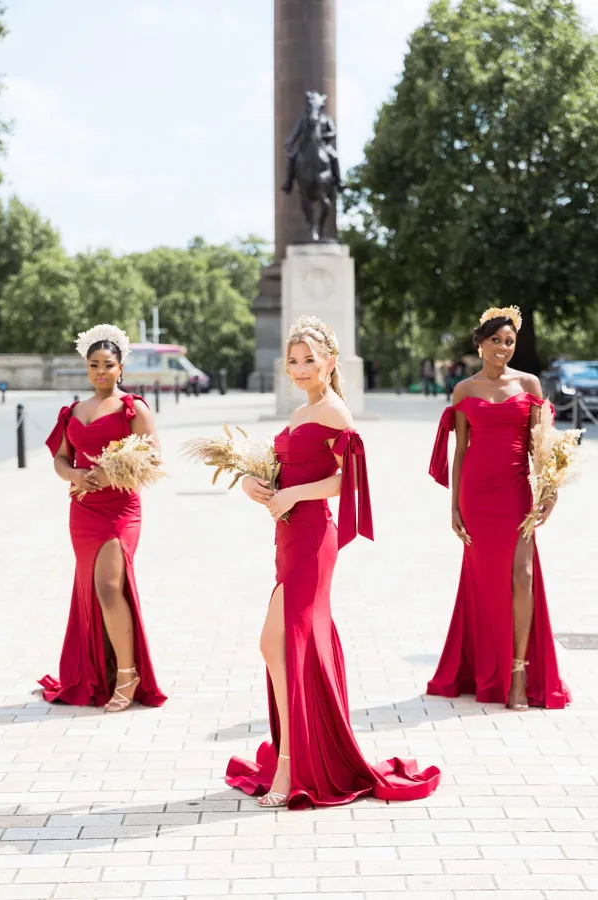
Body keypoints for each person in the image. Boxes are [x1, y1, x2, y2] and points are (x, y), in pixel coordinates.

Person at [226, 315, 441, 809]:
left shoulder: (335, 412)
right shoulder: (306, 410)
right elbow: (281, 469)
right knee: (286, 645)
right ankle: (299, 747)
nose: (300, 368)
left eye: (309, 360)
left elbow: (349, 482)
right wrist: (253, 484)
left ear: (330, 362)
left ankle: (291, 763)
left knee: (278, 641)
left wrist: (295, 493)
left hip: (312, 538)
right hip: (288, 535)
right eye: (293, 361)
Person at [428, 306, 570, 711]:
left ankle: (518, 674)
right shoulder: (464, 391)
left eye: (509, 341)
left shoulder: (529, 385)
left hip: (515, 492)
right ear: (480, 344)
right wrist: (454, 505)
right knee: (485, 584)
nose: (503, 348)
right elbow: (459, 451)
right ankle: (484, 669)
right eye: (496, 341)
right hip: (476, 494)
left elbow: (543, 447)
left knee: (522, 577)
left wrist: (550, 489)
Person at [41, 324, 167, 712]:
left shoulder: (134, 408)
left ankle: (128, 675)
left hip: (120, 509)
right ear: (87, 368)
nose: (100, 371)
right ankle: (105, 670)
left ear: (121, 367)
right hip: (83, 510)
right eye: (93, 365)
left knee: (109, 587)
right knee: (92, 589)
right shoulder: (73, 412)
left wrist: (113, 474)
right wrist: (76, 475)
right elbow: (61, 459)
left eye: (108, 365)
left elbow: (153, 457)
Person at [281, 91, 345, 194]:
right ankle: (288, 183)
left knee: (334, 156)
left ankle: (339, 181)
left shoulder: (326, 118)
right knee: (292, 157)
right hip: (305, 146)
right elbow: (295, 133)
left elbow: (333, 132)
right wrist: (290, 142)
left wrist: (323, 136)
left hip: (323, 146)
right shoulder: (303, 120)